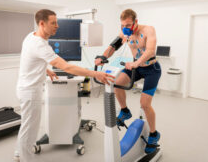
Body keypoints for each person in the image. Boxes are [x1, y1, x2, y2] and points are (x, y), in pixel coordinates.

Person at [14, 9, 114, 162]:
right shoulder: (40, 45)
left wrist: (46, 70)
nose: (57, 26)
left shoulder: (31, 36)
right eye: (53, 23)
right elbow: (66, 67)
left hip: (25, 88)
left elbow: (31, 59)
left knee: (26, 126)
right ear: (42, 24)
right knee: (30, 131)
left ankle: (18, 153)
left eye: (57, 23)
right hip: (30, 92)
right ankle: (24, 158)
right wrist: (95, 74)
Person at [95, 9, 161, 154]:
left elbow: (150, 51)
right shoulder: (125, 33)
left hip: (151, 69)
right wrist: (103, 56)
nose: (126, 27)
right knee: (117, 84)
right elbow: (112, 47)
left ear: (135, 22)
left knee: (144, 104)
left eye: (129, 24)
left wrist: (137, 63)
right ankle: (125, 111)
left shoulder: (148, 30)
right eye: (123, 25)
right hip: (135, 66)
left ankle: (154, 134)